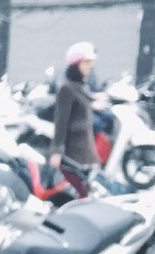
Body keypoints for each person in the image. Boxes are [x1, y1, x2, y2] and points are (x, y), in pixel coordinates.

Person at [50, 42, 99, 172]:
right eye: (87, 62)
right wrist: (57, 151)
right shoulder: (66, 88)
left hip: (86, 149)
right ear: (77, 64)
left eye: (91, 62)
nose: (90, 66)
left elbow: (82, 103)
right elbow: (61, 121)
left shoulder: (82, 85)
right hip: (74, 151)